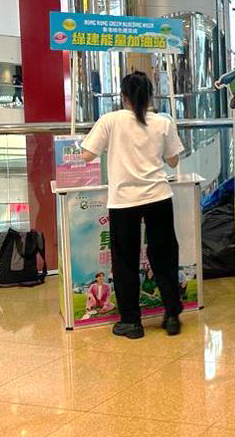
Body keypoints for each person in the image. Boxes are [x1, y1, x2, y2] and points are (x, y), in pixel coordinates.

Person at [69, 71, 185, 340]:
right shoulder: (163, 122)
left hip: (124, 202)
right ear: (151, 96)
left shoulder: (110, 121)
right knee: (164, 256)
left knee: (125, 261)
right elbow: (174, 161)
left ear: (123, 97)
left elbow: (86, 155)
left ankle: (132, 322)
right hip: (159, 197)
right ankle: (172, 316)